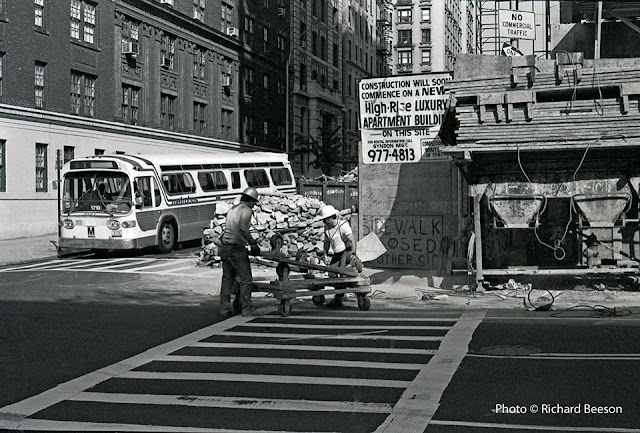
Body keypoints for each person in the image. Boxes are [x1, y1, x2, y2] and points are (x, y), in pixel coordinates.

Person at [219, 187, 262, 317]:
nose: (254, 205)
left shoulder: (233, 209)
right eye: (254, 202)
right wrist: (253, 243)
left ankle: (224, 309)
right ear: (250, 200)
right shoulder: (246, 210)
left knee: (227, 279)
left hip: (225, 247)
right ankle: (247, 308)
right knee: (246, 279)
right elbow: (243, 229)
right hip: (236, 248)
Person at [319, 204, 356, 308]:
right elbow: (327, 242)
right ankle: (341, 293)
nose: (324, 221)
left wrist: (353, 254)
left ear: (331, 218)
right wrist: (325, 253)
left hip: (345, 251)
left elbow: (352, 240)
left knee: (342, 273)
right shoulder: (327, 228)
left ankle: (339, 297)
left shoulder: (343, 225)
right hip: (336, 253)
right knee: (331, 273)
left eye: (325, 219)